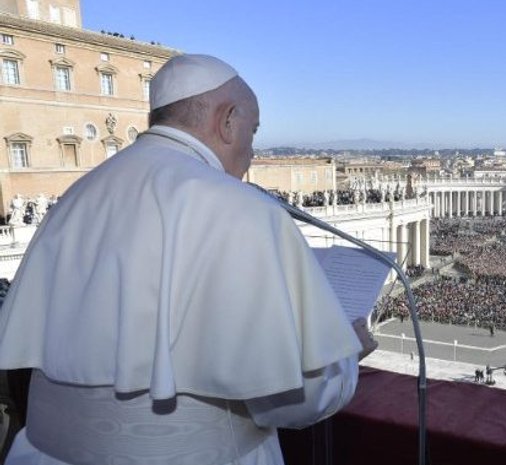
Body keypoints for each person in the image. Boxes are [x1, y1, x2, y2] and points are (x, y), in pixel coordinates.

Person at [0, 54, 377, 465]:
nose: (252, 151)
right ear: (227, 120)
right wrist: (345, 358)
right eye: (252, 131)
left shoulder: (73, 199)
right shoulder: (243, 209)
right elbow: (294, 399)